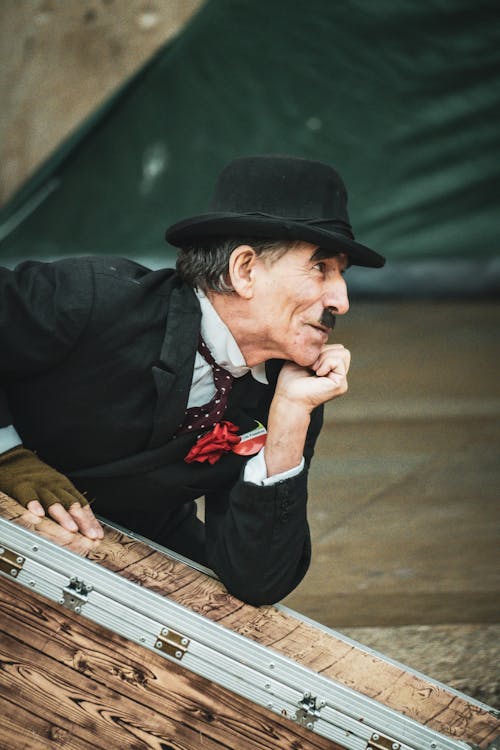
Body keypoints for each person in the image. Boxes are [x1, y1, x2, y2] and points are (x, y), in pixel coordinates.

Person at [0, 155, 385, 605]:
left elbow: (258, 582)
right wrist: (7, 455)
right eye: (321, 268)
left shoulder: (285, 392)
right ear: (244, 270)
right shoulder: (96, 297)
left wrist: (290, 420)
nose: (341, 300)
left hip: (122, 540)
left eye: (341, 275)